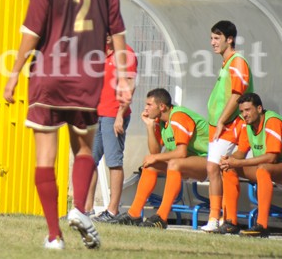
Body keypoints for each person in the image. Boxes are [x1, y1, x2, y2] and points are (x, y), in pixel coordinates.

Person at [3, 0, 132, 250]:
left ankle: (53, 235)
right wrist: (123, 80)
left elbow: (32, 30)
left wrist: (15, 71)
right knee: (84, 149)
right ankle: (78, 210)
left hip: (49, 74)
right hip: (87, 79)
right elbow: (118, 34)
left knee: (45, 157)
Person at [111, 88, 209, 228]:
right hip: (187, 162)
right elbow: (155, 151)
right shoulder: (161, 121)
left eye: (149, 105)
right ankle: (134, 214)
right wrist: (150, 126)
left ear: (162, 106)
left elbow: (181, 152)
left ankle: (162, 217)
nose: (145, 108)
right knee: (151, 165)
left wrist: (155, 157)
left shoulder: (178, 117)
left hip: (209, 162)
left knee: (173, 164)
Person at [202, 20, 253, 232]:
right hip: (219, 125)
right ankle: (225, 219)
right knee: (223, 167)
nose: (212, 42)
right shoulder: (226, 62)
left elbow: (238, 94)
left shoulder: (238, 61)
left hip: (231, 125)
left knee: (215, 166)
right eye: (212, 38)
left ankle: (217, 217)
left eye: (217, 38)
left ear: (229, 39)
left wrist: (223, 119)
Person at [85, 35, 137, 222]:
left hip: (113, 115)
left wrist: (120, 116)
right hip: (96, 115)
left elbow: (130, 87)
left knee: (114, 161)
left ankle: (112, 210)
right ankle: (87, 209)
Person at [218, 92, 282, 237]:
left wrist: (239, 161)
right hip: (270, 168)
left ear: (259, 109)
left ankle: (262, 226)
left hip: (275, 166)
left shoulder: (272, 121)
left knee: (263, 169)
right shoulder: (247, 124)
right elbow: (241, 152)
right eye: (241, 111)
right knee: (229, 168)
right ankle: (231, 222)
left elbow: (272, 157)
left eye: (248, 110)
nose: (244, 114)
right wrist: (229, 159)